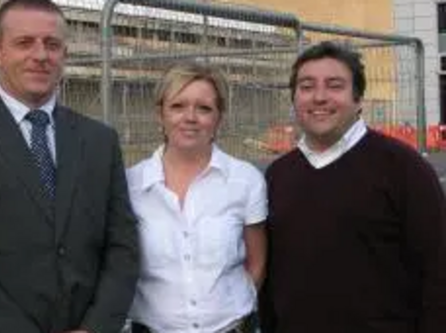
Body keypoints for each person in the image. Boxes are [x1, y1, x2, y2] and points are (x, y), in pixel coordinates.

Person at [0, 1, 138, 333]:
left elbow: (122, 244)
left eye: (52, 44)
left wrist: (96, 326)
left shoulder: (99, 141)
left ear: (64, 54)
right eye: (24, 43)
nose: (40, 55)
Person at [259, 40, 446, 333]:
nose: (319, 97)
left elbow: (437, 273)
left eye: (335, 86)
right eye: (307, 87)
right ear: (294, 98)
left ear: (359, 99)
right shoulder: (278, 175)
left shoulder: (404, 169)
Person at [127, 63, 267, 333]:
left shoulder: (245, 180)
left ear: (219, 118)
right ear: (160, 114)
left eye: (204, 108)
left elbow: (257, 261)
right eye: (178, 106)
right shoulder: (131, 184)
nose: (190, 117)